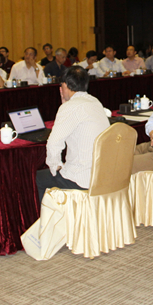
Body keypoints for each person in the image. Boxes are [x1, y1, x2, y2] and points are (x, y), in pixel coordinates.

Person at [35, 67, 110, 203]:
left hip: (82, 179)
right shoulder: (95, 101)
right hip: (102, 175)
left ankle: (52, 217)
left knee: (38, 178)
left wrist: (56, 167)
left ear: (65, 85)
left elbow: (53, 143)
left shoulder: (70, 107)